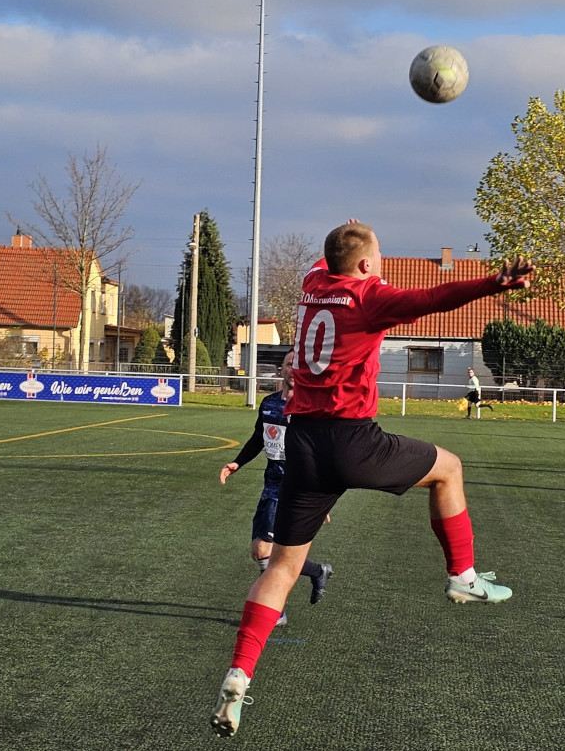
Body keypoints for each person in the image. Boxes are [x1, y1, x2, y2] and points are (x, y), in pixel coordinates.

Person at [210, 221, 535, 738]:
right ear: (364, 266)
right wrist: (493, 284)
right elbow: (435, 299)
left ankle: (239, 674)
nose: (382, 266)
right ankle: (463, 578)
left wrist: (350, 236)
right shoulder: (369, 297)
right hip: (351, 440)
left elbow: (331, 256)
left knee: (282, 566)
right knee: (449, 469)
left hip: (303, 443)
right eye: (378, 257)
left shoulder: (313, 286)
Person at [218, 349, 334, 629]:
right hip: (272, 484)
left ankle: (276, 612)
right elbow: (259, 437)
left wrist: (322, 498)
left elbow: (325, 454)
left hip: (298, 487)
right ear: (281, 370)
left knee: (263, 549)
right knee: (265, 552)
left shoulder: (313, 408)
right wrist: (237, 463)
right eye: (288, 364)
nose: (293, 369)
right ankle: (317, 570)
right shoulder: (269, 403)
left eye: (299, 365)